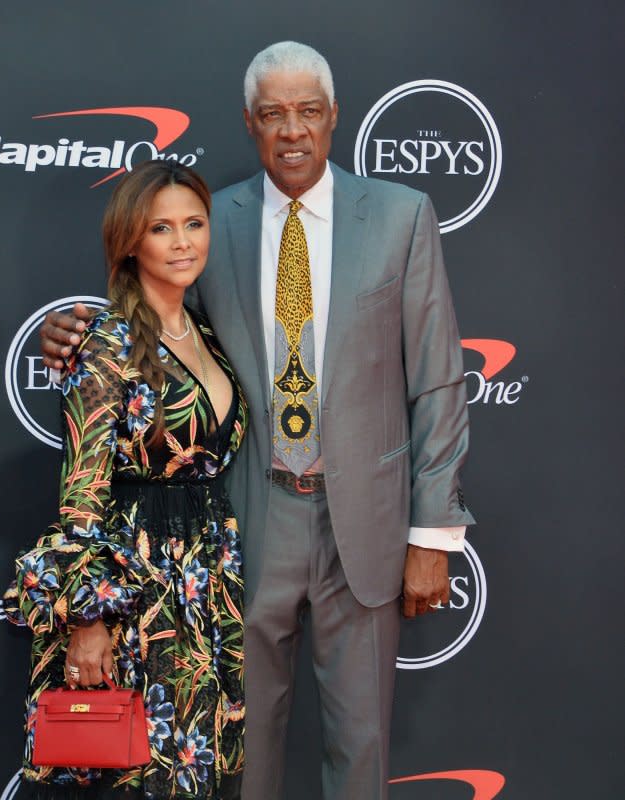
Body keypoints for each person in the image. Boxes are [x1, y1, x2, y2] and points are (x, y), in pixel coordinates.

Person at [40, 42, 474, 800]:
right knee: (237, 749)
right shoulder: (215, 222)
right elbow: (159, 332)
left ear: (334, 117)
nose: (293, 130)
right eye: (274, 114)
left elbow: (436, 378)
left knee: (361, 746)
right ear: (250, 123)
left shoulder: (402, 216)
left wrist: (431, 532)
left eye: (308, 111)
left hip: (364, 526)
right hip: (243, 522)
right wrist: (74, 334)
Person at [4, 160, 247, 799]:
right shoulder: (105, 343)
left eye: (194, 224)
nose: (183, 241)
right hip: (139, 592)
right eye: (161, 228)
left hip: (206, 584)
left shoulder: (210, 334)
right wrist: (88, 619)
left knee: (200, 775)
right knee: (143, 776)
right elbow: (82, 494)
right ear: (130, 241)